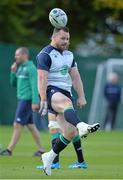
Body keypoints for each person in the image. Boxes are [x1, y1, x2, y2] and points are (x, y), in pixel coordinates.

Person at [37, 27, 100, 176]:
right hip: (52, 91)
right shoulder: (45, 54)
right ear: (53, 37)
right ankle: (82, 125)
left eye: (67, 39)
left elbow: (76, 77)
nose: (66, 41)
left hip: (66, 92)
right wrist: (43, 100)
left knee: (70, 133)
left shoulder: (69, 55)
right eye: (63, 38)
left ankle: (49, 156)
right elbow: (41, 78)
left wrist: (82, 96)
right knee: (65, 104)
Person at [0, 47, 45, 157]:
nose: (15, 57)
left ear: (25, 55)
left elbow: (35, 86)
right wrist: (13, 72)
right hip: (21, 99)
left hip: (27, 100)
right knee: (31, 126)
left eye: (17, 55)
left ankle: (9, 150)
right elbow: (13, 83)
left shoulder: (31, 68)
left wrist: (35, 101)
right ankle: (41, 150)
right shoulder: (19, 68)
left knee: (17, 124)